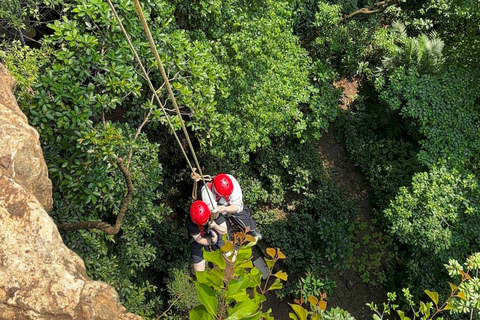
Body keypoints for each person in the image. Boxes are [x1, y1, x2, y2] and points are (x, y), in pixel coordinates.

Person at [201, 173, 262, 241]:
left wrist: (225, 209)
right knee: (223, 233)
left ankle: (252, 230)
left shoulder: (232, 181)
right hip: (218, 212)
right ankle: (226, 240)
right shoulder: (206, 192)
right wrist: (219, 211)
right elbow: (214, 215)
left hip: (230, 205)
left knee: (245, 219)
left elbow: (237, 206)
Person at [185, 200, 228, 272]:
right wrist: (210, 241)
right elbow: (199, 239)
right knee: (199, 272)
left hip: (216, 233)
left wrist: (215, 226)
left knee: (231, 257)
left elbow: (224, 230)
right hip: (201, 239)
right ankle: (194, 270)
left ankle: (219, 258)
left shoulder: (214, 211)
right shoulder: (189, 222)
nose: (203, 224)